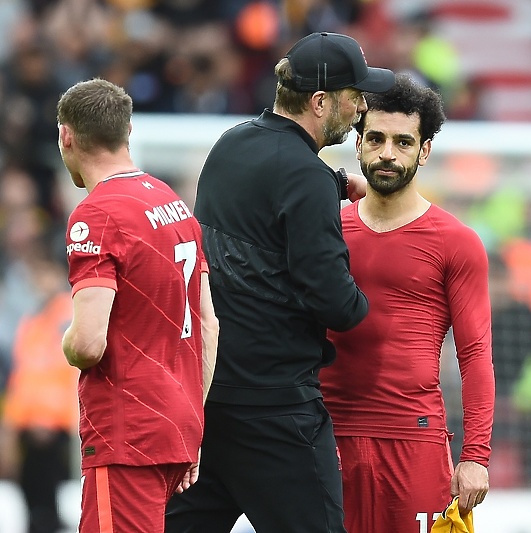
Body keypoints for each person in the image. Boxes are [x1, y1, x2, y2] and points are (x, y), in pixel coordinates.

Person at [164, 32, 395, 533]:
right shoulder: (306, 178)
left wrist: (333, 183)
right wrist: (373, 306)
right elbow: (334, 301)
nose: (360, 109)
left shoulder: (232, 144)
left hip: (209, 396)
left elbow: (272, 189)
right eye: (354, 97)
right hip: (276, 410)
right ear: (320, 102)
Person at [319, 74, 495, 533]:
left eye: (403, 142)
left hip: (413, 438)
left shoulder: (457, 243)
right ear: (357, 144)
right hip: (324, 435)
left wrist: (475, 456)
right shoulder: (324, 231)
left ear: (425, 150)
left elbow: (475, 354)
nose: (387, 154)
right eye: (375, 139)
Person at [57, 78, 219, 533]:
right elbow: (208, 326)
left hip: (127, 432)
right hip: (179, 427)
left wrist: (66, 342)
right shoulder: (174, 205)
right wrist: (190, 425)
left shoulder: (97, 214)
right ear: (128, 132)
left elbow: (88, 344)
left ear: (66, 135)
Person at [0, 254, 77, 533]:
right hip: (27, 424)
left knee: (50, 504)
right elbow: (23, 377)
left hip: (52, 425)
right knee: (31, 502)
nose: (40, 282)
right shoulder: (33, 321)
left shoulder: (67, 316)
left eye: (45, 274)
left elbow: (63, 372)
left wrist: (49, 418)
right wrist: (10, 426)